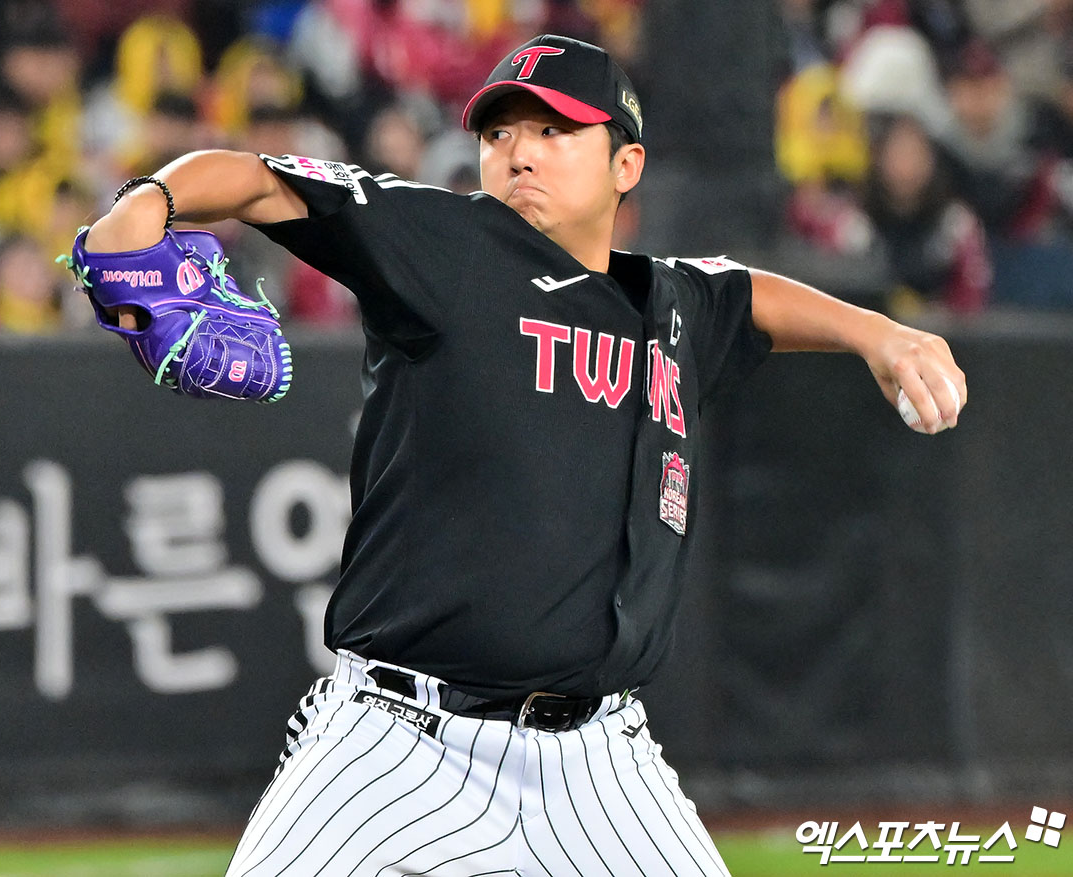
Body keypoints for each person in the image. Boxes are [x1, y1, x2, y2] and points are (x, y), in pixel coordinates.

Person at [83, 34, 966, 877]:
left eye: (553, 130)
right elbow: (251, 181)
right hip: (396, 740)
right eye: (500, 131)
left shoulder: (669, 304)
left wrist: (878, 334)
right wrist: (143, 206)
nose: (519, 152)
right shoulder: (444, 244)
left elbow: (746, 292)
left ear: (627, 166)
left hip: (599, 759)